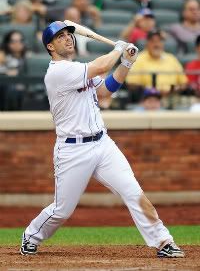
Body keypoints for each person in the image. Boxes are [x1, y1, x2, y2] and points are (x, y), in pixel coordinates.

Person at [20, 21, 184, 258]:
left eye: (69, 34)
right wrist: (118, 48)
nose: (68, 38)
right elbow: (101, 66)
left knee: (133, 192)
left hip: (102, 144)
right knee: (62, 210)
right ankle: (31, 236)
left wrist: (126, 62)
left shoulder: (76, 69)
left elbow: (106, 89)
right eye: (60, 37)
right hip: (72, 150)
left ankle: (163, 241)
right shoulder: (58, 72)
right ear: (50, 46)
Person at [126, 29, 188, 94]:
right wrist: (153, 92)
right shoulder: (138, 59)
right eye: (152, 41)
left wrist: (173, 90)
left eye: (159, 41)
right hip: (147, 98)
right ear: (147, 43)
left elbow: (184, 83)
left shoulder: (171, 58)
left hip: (172, 96)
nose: (156, 44)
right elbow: (131, 84)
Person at [0, 30, 27, 110]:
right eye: (13, 41)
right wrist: (6, 72)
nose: (17, 44)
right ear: (7, 43)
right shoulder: (3, 55)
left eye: (20, 41)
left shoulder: (28, 57)